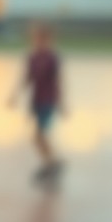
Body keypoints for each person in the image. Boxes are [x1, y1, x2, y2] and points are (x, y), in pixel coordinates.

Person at [7, 22, 65, 182]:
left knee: (39, 135)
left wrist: (61, 102)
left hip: (48, 100)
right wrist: (15, 95)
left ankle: (52, 162)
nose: (37, 42)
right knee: (37, 137)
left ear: (48, 39)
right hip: (36, 100)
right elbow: (27, 78)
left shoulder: (52, 58)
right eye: (34, 38)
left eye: (40, 38)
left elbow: (58, 81)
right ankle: (50, 162)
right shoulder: (32, 57)